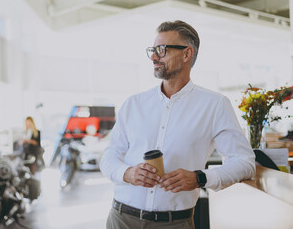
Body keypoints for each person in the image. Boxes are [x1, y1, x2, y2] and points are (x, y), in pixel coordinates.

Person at [100, 20, 256, 229]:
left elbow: (245, 162)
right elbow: (110, 156)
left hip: (174, 224)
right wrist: (127, 173)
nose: (154, 57)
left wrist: (200, 178)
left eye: (162, 50)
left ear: (186, 54)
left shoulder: (215, 105)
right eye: (153, 50)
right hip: (121, 219)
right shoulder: (134, 104)